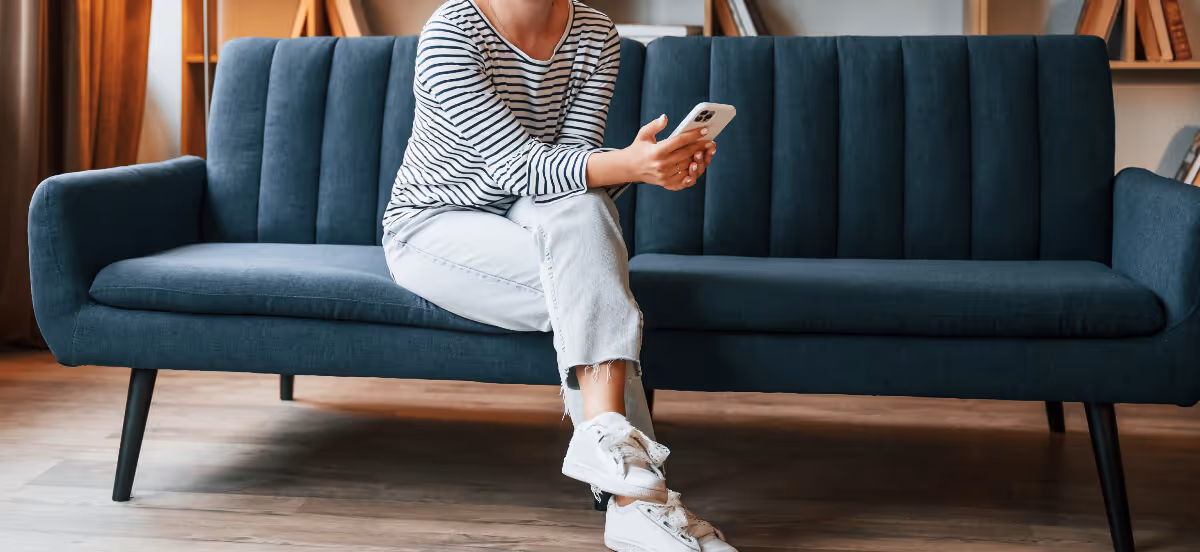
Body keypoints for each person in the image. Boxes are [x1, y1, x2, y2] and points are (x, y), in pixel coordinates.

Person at [381, 0, 730, 549]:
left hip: (529, 211)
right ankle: (638, 505)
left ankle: (606, 447)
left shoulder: (593, 32)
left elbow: (566, 170)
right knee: (591, 290)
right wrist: (631, 166)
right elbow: (514, 163)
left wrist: (641, 165)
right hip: (434, 224)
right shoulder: (452, 31)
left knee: (585, 212)